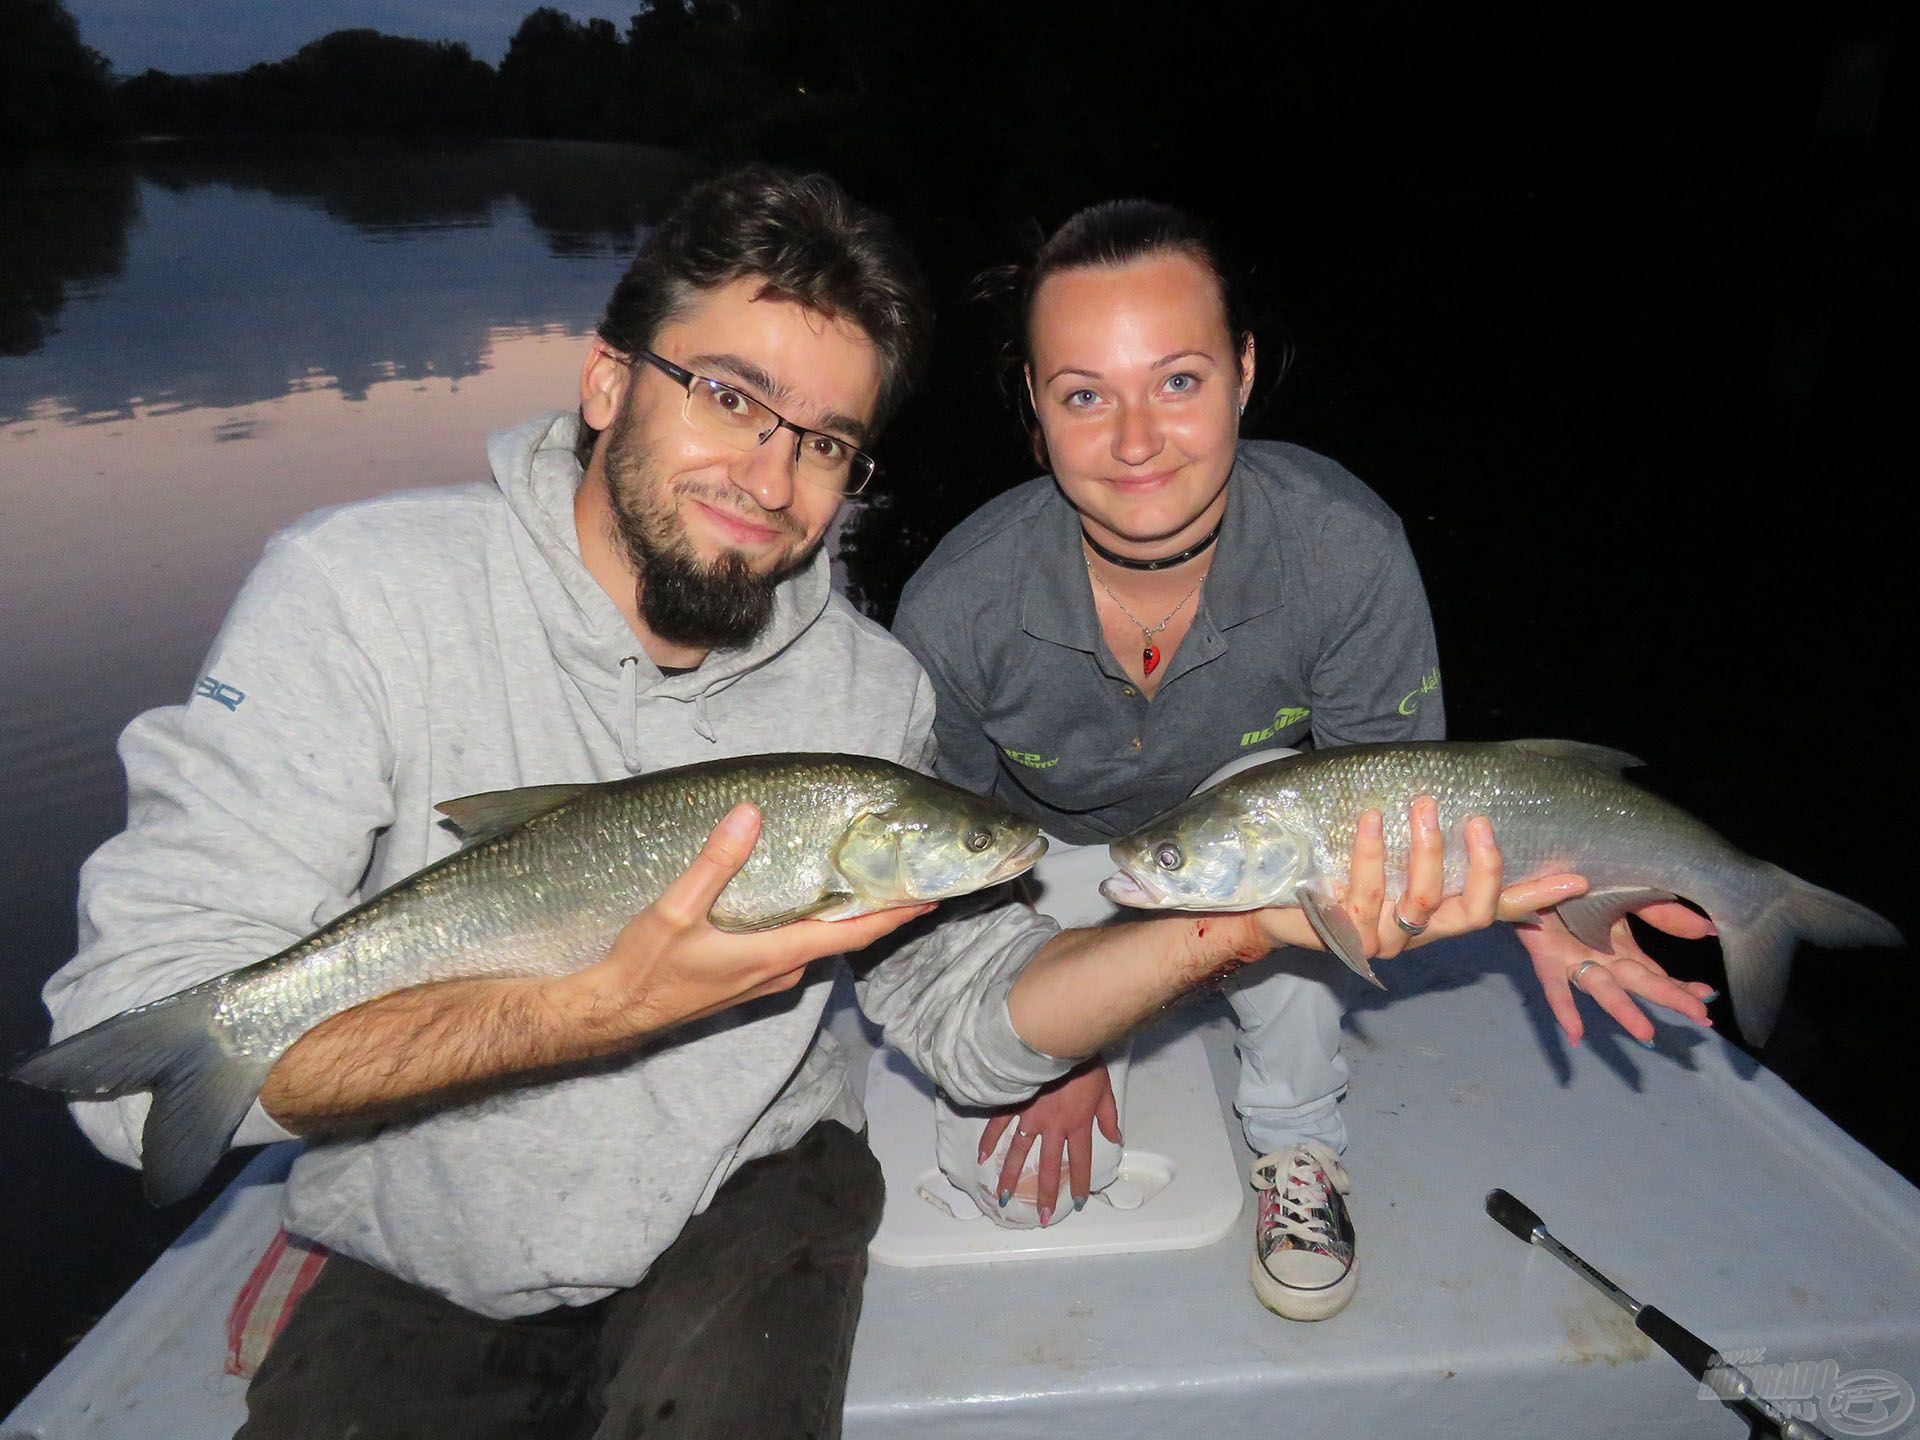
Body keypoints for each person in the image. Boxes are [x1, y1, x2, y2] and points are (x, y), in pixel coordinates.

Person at [34, 170, 1563, 1439]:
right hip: (423, 1229)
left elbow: (967, 1013)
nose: (772, 469)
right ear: (607, 380)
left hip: (749, 1192)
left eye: (827, 438)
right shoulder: (359, 595)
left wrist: (1238, 929)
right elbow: (132, 1059)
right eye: (729, 394)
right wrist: (594, 1005)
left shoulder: (867, 699)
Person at [893, 200, 1717, 1322]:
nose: (1136, 440)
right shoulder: (957, 604)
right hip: (1051, 866)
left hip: (1251, 843)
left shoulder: (1345, 548)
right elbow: (955, 869)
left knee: (1284, 824)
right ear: (1034, 415)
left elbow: (1393, 819)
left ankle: (1296, 1139)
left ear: (1240, 374)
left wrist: (1545, 904)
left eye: (1177, 381)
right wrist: (1066, 1046)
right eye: (1085, 394)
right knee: (1009, 1188)